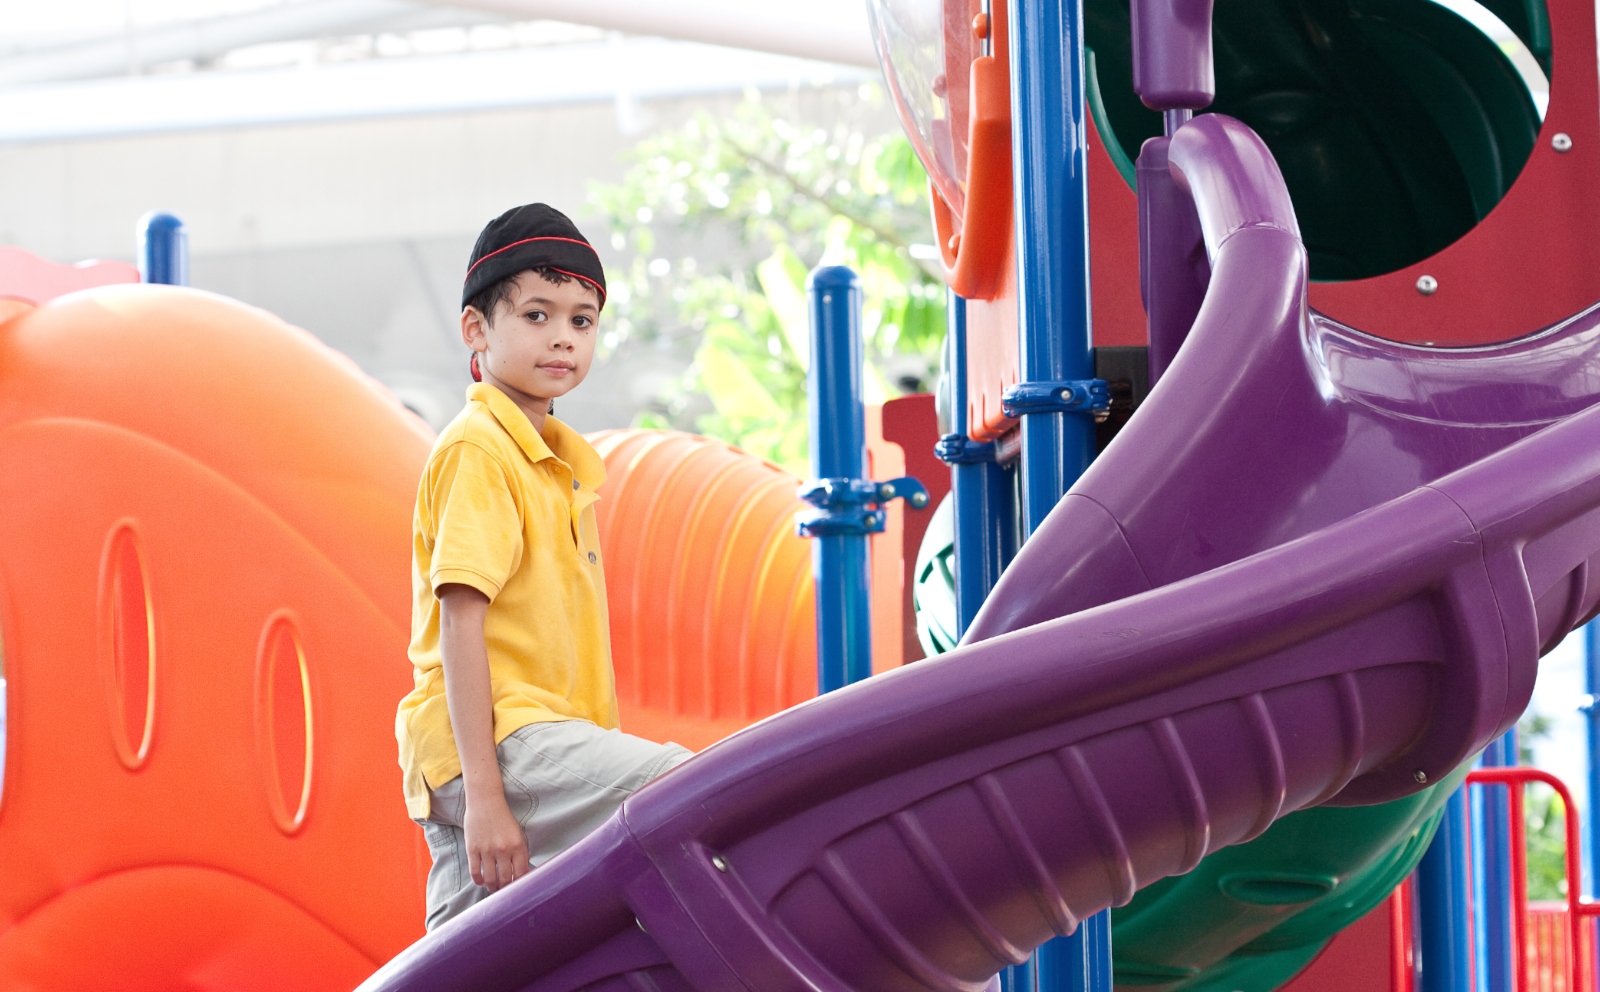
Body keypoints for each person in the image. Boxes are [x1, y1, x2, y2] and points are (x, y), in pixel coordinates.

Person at [396, 203, 690, 931]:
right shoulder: (480, 447)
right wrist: (486, 797)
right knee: (690, 786)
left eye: (582, 321)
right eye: (536, 315)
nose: (562, 336)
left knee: (470, 958)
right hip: (502, 738)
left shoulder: (557, 464)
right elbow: (461, 622)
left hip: (515, 741)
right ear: (476, 329)